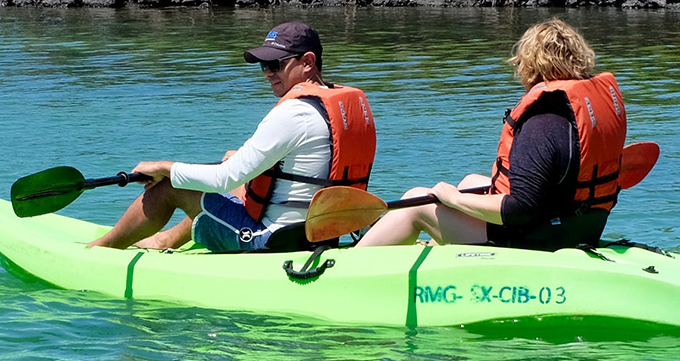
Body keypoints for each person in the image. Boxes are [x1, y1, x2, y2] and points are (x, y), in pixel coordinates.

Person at [88, 22, 376, 252]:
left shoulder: (293, 112)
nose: (267, 73)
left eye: (275, 64)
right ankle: (166, 240)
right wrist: (242, 160)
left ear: (308, 61)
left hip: (270, 241)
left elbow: (223, 179)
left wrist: (163, 167)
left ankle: (100, 250)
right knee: (239, 188)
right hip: (324, 234)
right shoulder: (344, 106)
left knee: (169, 186)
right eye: (264, 66)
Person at [356, 18, 625, 249]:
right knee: (470, 180)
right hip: (579, 226)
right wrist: (462, 196)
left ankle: (345, 268)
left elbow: (520, 209)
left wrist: (455, 199)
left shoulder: (542, 121)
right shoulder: (577, 112)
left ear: (530, 63)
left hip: (534, 240)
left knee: (415, 203)